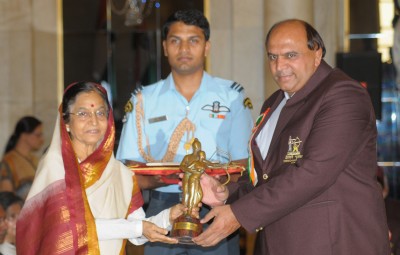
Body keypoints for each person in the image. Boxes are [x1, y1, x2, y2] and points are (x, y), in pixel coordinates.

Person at [192, 19, 391, 255]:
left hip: (332, 243)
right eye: (273, 57)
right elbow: (266, 176)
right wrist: (228, 193)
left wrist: (239, 214)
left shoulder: (343, 94)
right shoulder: (274, 102)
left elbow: (313, 173)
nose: (280, 66)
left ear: (317, 53)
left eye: (291, 55)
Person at [116, 9, 253, 255]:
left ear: (207, 47)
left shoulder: (231, 96)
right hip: (161, 208)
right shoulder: (143, 100)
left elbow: (243, 165)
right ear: (165, 47)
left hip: (215, 206)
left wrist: (220, 187)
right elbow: (127, 171)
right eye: (175, 40)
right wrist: (156, 179)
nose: (184, 48)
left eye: (193, 40)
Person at [16, 81, 191, 255]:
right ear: (67, 122)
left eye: (100, 113)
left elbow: (138, 235)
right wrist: (137, 228)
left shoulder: (120, 173)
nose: (93, 121)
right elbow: (71, 227)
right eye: (83, 113)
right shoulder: (55, 165)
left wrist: (168, 216)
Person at [0, 116, 44, 199]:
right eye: (38, 135)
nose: (42, 139)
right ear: (24, 136)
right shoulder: (8, 161)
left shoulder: (36, 159)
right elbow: (6, 198)